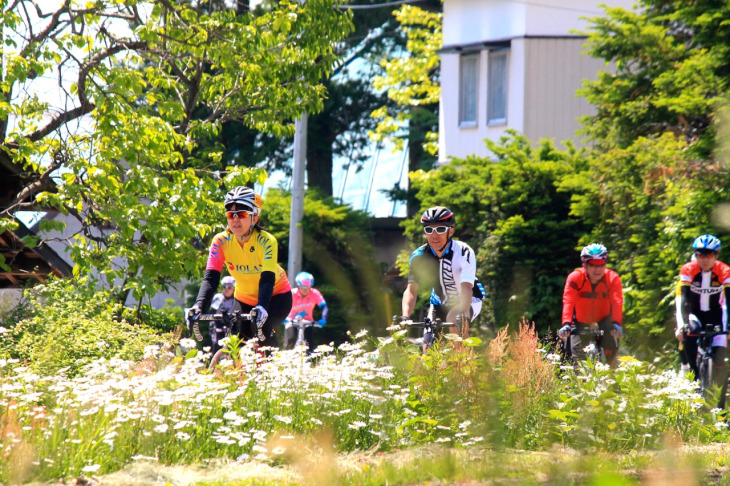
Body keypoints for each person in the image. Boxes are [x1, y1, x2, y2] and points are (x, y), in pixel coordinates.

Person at [188, 186, 292, 348]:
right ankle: (235, 371)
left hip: (276, 295)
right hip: (244, 297)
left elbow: (267, 279)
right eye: (231, 214)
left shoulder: (267, 241)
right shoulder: (220, 241)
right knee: (235, 339)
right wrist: (198, 306)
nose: (235, 220)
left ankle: (272, 368)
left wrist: (263, 307)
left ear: (254, 218)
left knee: (261, 328)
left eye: (241, 214)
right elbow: (211, 278)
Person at [401, 206, 484, 351]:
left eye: (440, 229)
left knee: (454, 320)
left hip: (469, 297)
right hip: (439, 302)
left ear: (450, 231)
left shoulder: (464, 251)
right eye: (429, 230)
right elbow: (411, 291)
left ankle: (464, 365)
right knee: (428, 349)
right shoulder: (418, 256)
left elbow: (466, 288)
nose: (434, 235)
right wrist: (405, 316)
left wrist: (462, 313)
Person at [675, 234, 730, 408]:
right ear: (696, 256)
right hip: (694, 313)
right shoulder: (688, 269)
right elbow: (683, 299)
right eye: (701, 255)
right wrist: (683, 323)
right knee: (690, 337)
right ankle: (695, 380)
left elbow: (729, 301)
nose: (705, 260)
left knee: (721, 359)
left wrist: (728, 327)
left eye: (709, 255)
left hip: (716, 314)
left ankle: (720, 409)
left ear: (716, 256)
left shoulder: (724, 270)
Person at [559, 243, 623, 367]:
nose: (598, 269)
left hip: (605, 320)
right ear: (585, 265)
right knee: (578, 360)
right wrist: (566, 323)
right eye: (593, 265)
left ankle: (612, 379)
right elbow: (568, 300)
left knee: (611, 353)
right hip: (580, 321)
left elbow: (617, 301)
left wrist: (616, 323)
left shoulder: (612, 278)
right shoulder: (575, 278)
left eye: (601, 265)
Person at [284, 271, 328, 352]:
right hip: (291, 320)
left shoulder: (315, 293)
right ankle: (286, 359)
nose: (305, 290)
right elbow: (282, 305)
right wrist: (282, 317)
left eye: (307, 288)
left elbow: (324, 306)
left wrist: (323, 318)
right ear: (298, 286)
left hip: (308, 321)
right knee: (291, 339)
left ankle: (310, 360)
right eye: (302, 288)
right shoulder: (292, 293)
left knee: (309, 343)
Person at [207, 276, 239, 353]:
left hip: (232, 328)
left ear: (234, 288)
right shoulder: (218, 297)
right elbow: (213, 310)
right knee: (217, 349)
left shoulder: (236, 299)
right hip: (218, 328)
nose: (226, 289)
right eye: (224, 286)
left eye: (229, 287)